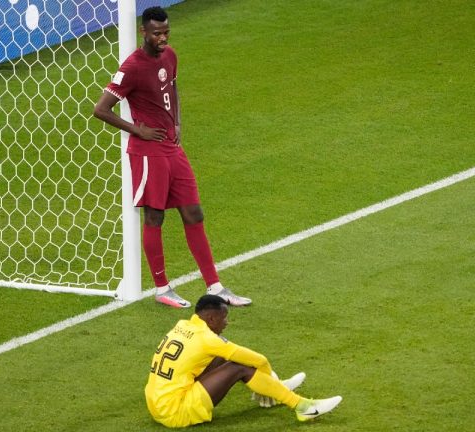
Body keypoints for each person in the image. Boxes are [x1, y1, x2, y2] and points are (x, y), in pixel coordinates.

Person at [93, 7, 250, 308]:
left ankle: (215, 286)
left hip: (172, 148)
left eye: (166, 32)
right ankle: (162, 287)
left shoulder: (171, 56)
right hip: (148, 151)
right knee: (155, 216)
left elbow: (173, 86)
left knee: (194, 212)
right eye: (157, 33)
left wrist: (177, 122)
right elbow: (101, 109)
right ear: (143, 33)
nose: (163, 38)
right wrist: (137, 130)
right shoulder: (132, 67)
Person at [145, 295, 342, 428]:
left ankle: (275, 389)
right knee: (239, 367)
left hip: (156, 404)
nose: (226, 323)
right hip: (175, 412)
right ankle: (303, 407)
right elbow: (259, 360)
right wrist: (270, 378)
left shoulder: (182, 325)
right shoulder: (209, 340)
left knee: (225, 358)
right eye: (224, 318)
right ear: (212, 319)